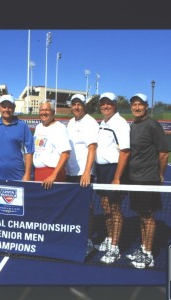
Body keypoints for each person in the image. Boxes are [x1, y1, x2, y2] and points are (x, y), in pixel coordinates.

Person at [126, 93, 169, 269]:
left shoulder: (152, 125)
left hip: (148, 179)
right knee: (141, 215)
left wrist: (159, 174)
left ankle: (149, 255)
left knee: (148, 217)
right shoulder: (134, 126)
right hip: (134, 179)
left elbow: (164, 153)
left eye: (140, 104)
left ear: (146, 106)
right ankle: (143, 248)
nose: (137, 107)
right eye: (134, 104)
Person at [94, 92, 130, 264]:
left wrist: (117, 177)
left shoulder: (120, 123)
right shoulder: (103, 122)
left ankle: (115, 247)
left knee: (114, 209)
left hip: (113, 170)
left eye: (108, 103)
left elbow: (125, 151)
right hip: (101, 171)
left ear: (115, 105)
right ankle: (109, 238)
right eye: (103, 103)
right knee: (105, 206)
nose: (105, 106)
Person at [65, 94, 99, 255]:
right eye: (74, 104)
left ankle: (88, 240)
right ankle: (75, 235)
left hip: (83, 174)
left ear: (84, 106)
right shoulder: (70, 123)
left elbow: (92, 148)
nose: (76, 107)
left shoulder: (90, 122)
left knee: (87, 207)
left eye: (79, 104)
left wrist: (87, 172)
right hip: (70, 172)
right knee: (73, 207)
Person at [0, 95, 34, 181]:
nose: (6, 109)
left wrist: (27, 174)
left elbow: (29, 151)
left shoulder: (22, 126)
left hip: (17, 176)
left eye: (10, 107)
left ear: (14, 107)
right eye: (4, 107)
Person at [33, 100, 71, 189]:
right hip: (38, 173)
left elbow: (65, 154)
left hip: (53, 175)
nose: (44, 112)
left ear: (53, 112)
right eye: (41, 110)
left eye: (47, 110)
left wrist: (53, 175)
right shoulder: (38, 127)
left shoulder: (60, 128)